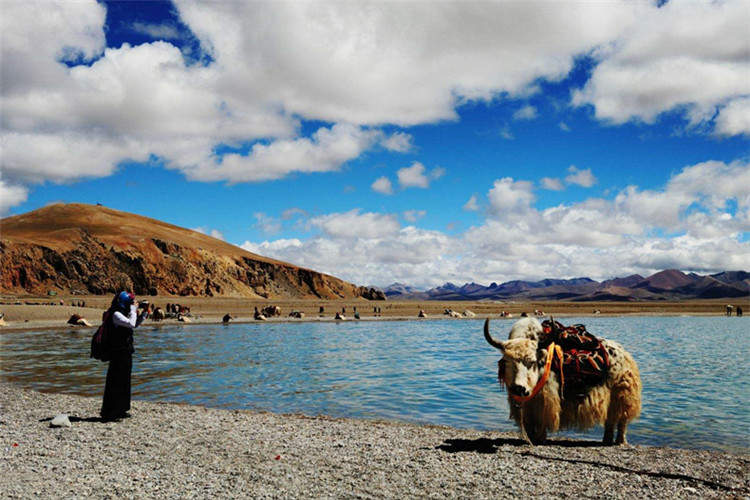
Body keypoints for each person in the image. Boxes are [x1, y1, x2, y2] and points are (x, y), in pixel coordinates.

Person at [101, 291, 148, 421]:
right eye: (129, 303)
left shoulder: (122, 314)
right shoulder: (115, 315)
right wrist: (133, 310)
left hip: (126, 352)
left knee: (124, 382)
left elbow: (135, 325)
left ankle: (121, 409)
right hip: (118, 353)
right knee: (115, 381)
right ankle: (110, 411)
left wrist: (144, 313)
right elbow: (131, 324)